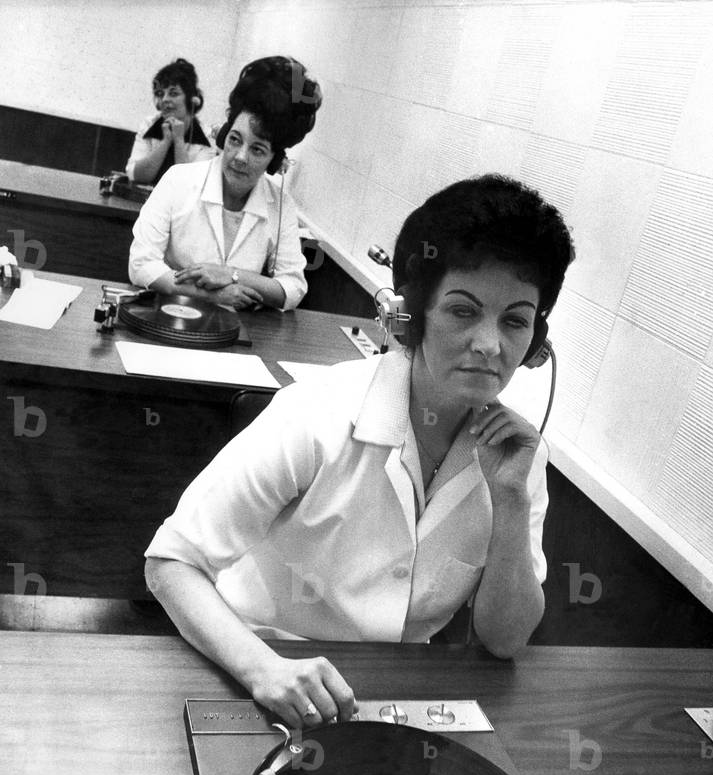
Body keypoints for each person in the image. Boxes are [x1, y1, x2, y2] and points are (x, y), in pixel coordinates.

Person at [145, 174, 575, 725]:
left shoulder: (517, 456)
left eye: (515, 320)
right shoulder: (318, 411)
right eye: (463, 311)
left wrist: (511, 501)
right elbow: (171, 561)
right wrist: (263, 669)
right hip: (254, 668)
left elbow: (505, 639)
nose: (491, 345)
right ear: (412, 318)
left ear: (536, 343)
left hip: (392, 699)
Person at [128, 56, 322, 311]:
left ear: (274, 162)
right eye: (234, 140)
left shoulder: (281, 203)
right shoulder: (178, 180)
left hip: (235, 332)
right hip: (170, 316)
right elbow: (141, 265)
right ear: (222, 137)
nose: (240, 157)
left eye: (258, 149)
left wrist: (231, 274)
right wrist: (210, 295)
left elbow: (293, 288)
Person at [126, 58, 214, 186]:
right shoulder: (149, 125)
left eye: (173, 93)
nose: (165, 99)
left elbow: (189, 186)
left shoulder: (207, 137)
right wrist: (166, 141)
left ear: (191, 99)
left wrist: (178, 140)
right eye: (160, 94)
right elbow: (134, 175)